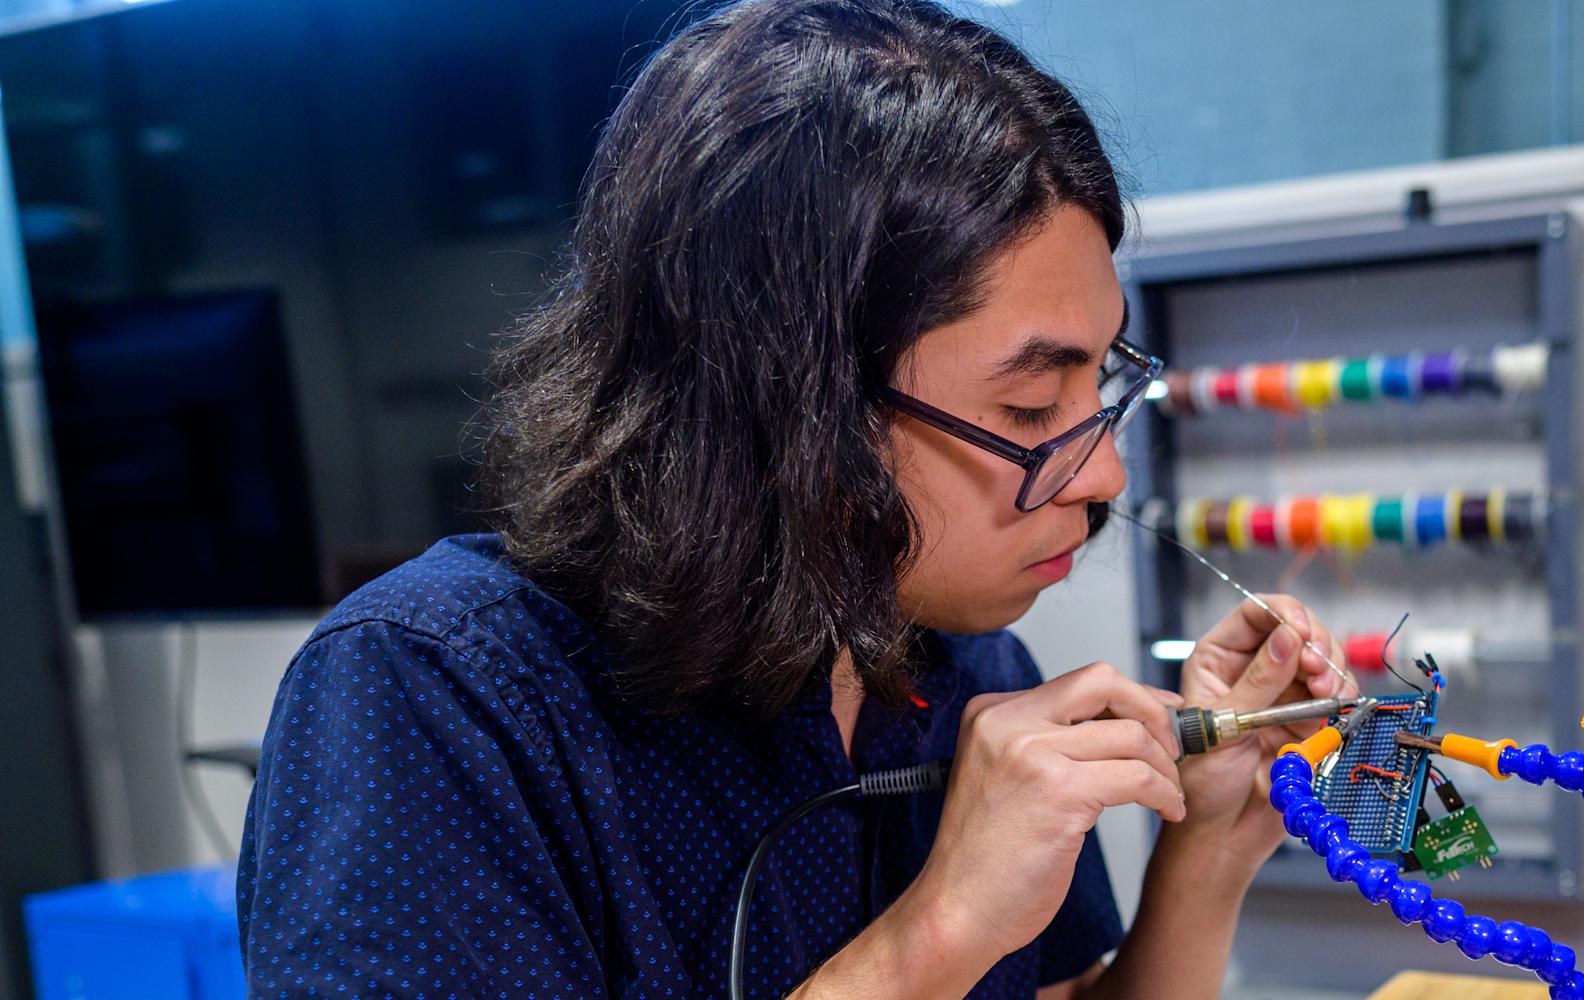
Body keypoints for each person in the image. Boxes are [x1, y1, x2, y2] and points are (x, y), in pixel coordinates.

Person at [235, 1, 1354, 997]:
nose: (1103, 474)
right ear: (792, 404)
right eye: (1025, 412)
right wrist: (935, 937)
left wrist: (1210, 846)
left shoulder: (961, 665)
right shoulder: (440, 699)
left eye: (1102, 382)